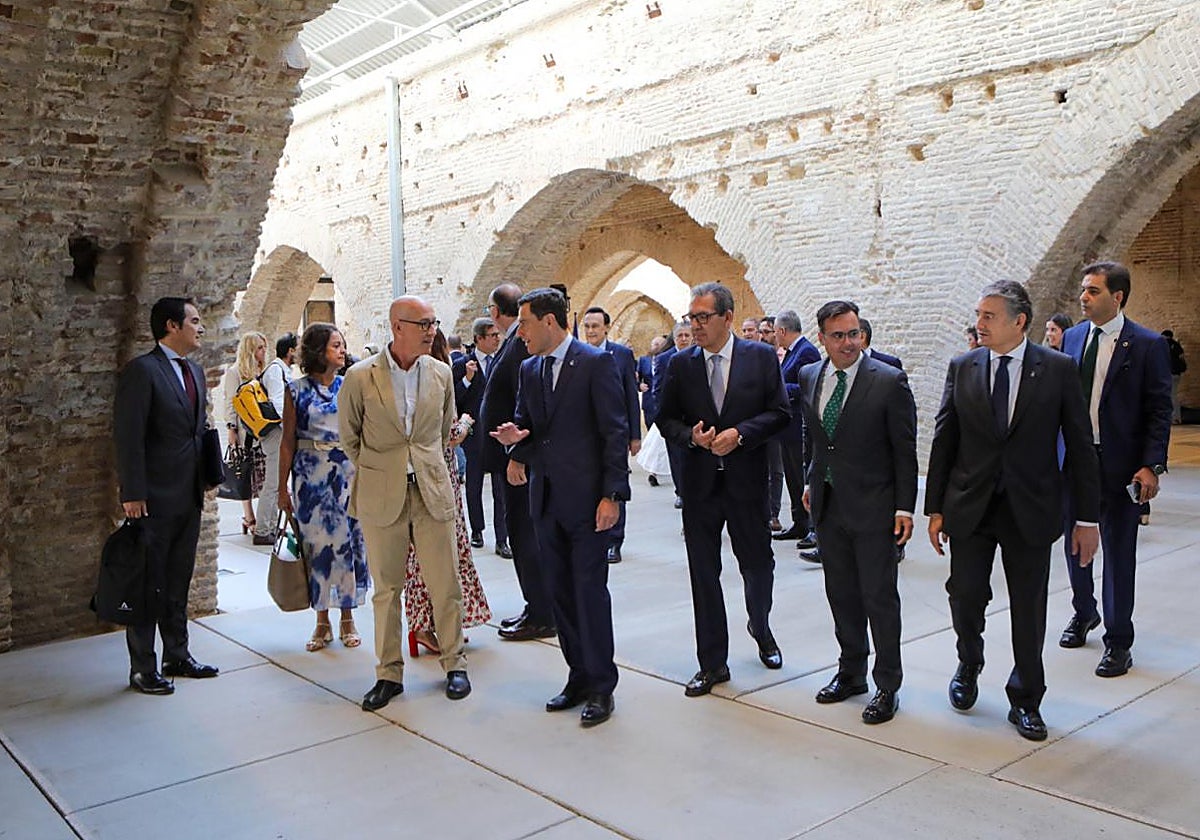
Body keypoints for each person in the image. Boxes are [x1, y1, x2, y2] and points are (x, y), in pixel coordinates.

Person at [926, 280, 1100, 741]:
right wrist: (935, 508)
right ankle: (969, 661)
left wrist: (1087, 518)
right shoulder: (963, 367)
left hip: (1032, 506)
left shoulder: (1059, 369)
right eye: (978, 314)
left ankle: (1026, 697)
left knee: (1029, 606)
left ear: (1019, 321)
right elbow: (945, 439)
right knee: (965, 594)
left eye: (988, 316)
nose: (978, 323)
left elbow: (1081, 445)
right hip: (970, 506)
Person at [490, 287, 630, 727]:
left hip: (589, 502)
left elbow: (613, 431)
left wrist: (613, 496)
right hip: (545, 500)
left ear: (549, 322)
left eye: (526, 324)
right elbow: (531, 423)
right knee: (561, 594)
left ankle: (602, 686)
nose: (520, 334)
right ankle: (578, 676)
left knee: (589, 593)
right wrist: (517, 445)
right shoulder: (530, 368)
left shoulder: (594, 363)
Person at [656, 283, 791, 697]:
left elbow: (780, 414)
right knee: (703, 574)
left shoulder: (761, 358)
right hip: (699, 487)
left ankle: (761, 626)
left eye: (702, 318)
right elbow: (664, 419)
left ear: (727, 318)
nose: (694, 326)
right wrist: (691, 438)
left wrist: (741, 434)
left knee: (757, 565)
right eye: (690, 318)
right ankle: (713, 663)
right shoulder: (680, 364)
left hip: (746, 484)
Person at [340, 296, 471, 710]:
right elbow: (350, 437)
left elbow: (444, 429)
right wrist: (384, 469)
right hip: (383, 494)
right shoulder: (361, 377)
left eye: (433, 322)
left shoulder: (441, 373)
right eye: (423, 323)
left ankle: (454, 664)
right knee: (387, 589)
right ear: (398, 326)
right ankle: (388, 674)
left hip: (431, 489)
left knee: (445, 585)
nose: (432, 329)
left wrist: (422, 462)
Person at [797, 301, 917, 725]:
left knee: (879, 598)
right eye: (838, 336)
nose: (848, 343)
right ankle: (851, 672)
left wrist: (905, 507)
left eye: (854, 334)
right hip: (829, 506)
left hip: (875, 507)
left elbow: (905, 451)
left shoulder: (888, 381)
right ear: (822, 339)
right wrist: (813, 483)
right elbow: (816, 439)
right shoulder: (809, 375)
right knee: (841, 593)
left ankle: (888, 684)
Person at [1058, 262, 1173, 677]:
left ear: (1117, 297)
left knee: (1119, 552)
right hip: (1074, 460)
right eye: (1082, 290)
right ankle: (1083, 611)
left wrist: (1151, 465)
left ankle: (1118, 639)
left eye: (1092, 291)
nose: (1083, 298)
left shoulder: (1145, 344)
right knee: (1076, 544)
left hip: (1121, 465)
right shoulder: (1072, 338)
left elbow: (1160, 409)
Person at [114, 297, 220, 695]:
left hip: (188, 494)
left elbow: (198, 430)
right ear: (172, 326)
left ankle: (178, 654)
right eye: (194, 321)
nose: (201, 327)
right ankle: (143, 667)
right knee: (148, 583)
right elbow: (129, 435)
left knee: (178, 579)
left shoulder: (193, 370)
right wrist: (133, 492)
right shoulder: (143, 372)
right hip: (153, 497)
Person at [277, 323, 369, 654]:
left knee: (348, 544)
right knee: (316, 549)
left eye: (343, 345)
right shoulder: (296, 390)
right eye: (336, 346)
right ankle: (321, 621)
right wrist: (281, 487)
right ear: (319, 351)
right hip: (310, 475)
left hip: (346, 473)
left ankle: (348, 618)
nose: (343, 351)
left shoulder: (350, 386)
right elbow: (287, 441)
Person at [404, 330, 492, 656]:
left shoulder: (406, 382)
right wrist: (467, 421)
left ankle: (431, 623)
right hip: (438, 478)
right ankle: (430, 625)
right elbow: (449, 434)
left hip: (422, 476)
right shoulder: (434, 382)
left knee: (426, 555)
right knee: (442, 553)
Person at [480, 283, 557, 642]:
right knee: (522, 533)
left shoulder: (519, 347)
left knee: (525, 536)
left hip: (517, 462)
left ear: (496, 312)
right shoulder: (513, 344)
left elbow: (524, 408)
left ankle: (543, 611)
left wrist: (517, 457)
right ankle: (535, 605)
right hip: (507, 458)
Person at [581, 306, 641, 563]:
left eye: (595, 326)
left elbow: (630, 394)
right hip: (586, 434)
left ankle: (615, 541)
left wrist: (635, 435)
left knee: (615, 483)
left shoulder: (622, 355)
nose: (591, 331)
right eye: (587, 326)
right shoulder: (579, 354)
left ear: (606, 327)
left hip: (614, 432)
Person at [454, 317, 510, 557]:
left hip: (497, 434)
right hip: (474, 434)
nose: (497, 339)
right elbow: (454, 399)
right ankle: (477, 529)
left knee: (501, 488)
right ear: (479, 339)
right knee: (474, 484)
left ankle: (502, 538)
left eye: (498, 335)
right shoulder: (463, 364)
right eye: (492, 335)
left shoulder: (503, 361)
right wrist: (467, 379)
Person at [773, 310, 821, 549]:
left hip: (799, 424)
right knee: (792, 475)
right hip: (787, 425)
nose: (774, 336)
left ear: (782, 330)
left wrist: (776, 386)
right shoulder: (793, 353)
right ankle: (799, 522)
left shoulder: (807, 352)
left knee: (803, 478)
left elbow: (809, 386)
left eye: (775, 331)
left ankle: (813, 526)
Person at [253, 331, 297, 545]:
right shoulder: (276, 371)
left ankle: (270, 526)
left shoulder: (279, 370)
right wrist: (291, 428)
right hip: (275, 434)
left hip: (277, 433)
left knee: (276, 481)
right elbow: (279, 402)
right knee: (273, 483)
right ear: (290, 351)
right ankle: (262, 530)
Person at [224, 331, 267, 536]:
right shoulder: (235, 373)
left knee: (264, 473)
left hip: (261, 430)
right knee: (244, 472)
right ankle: (248, 516)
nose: (263, 351)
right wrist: (231, 429)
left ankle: (264, 516)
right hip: (244, 431)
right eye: (259, 347)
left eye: (264, 347)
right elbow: (230, 402)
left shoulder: (262, 371)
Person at [652, 320, 692, 510]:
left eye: (687, 335)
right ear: (674, 338)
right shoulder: (663, 359)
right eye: (680, 336)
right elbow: (657, 390)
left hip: (696, 418)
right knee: (676, 457)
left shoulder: (699, 355)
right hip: (674, 419)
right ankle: (681, 493)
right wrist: (662, 419)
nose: (683, 339)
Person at [1163, 329, 1187, 424]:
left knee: (1168, 396)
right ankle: (1177, 418)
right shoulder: (1176, 345)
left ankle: (1172, 418)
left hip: (1167, 373)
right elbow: (1182, 358)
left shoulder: (1162, 344)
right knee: (1174, 395)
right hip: (1177, 373)